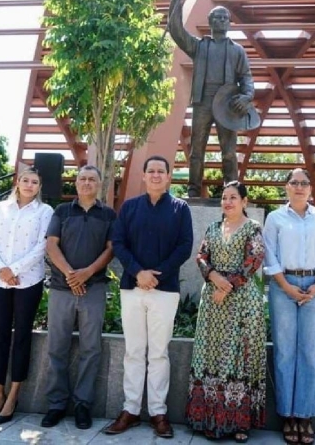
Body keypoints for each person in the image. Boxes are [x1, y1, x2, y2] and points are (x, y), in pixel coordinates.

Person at [104, 155, 193, 439]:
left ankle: (158, 412)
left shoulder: (181, 209)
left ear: (169, 176)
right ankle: (130, 409)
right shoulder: (129, 208)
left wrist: (157, 275)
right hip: (132, 288)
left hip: (164, 291)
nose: (156, 175)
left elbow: (184, 247)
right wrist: (138, 272)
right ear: (143, 176)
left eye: (161, 171)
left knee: (158, 353)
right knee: (133, 351)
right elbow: (118, 242)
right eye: (151, 171)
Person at [186, 181, 266, 443]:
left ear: (244, 201)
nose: (228, 202)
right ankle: (206, 418)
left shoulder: (253, 229)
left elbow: (254, 260)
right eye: (224, 198)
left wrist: (227, 286)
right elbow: (201, 256)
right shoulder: (212, 228)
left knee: (238, 360)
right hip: (213, 301)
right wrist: (213, 276)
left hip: (241, 302)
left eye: (233, 197)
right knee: (210, 356)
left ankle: (239, 423)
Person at [263, 168, 315, 444]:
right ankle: (287, 417)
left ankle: (305, 416)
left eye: (304, 183)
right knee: (284, 352)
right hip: (283, 286)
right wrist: (286, 286)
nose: (299, 187)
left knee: (309, 352)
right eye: (294, 182)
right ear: (286, 187)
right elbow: (270, 254)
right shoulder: (275, 218)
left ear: (311, 188)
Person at [40, 165, 116, 430]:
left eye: (91, 179)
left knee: (90, 349)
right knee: (56, 348)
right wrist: (72, 274)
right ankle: (56, 404)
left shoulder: (108, 214)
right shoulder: (62, 211)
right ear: (76, 183)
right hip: (62, 289)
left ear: (100, 184)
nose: (86, 183)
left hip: (93, 289)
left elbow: (111, 248)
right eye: (82, 178)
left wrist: (88, 273)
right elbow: (51, 244)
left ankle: (83, 404)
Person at [168, 0, 255, 198]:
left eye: (225, 18)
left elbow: (246, 77)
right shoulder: (199, 47)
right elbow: (175, 29)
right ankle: (194, 190)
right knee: (197, 149)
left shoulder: (237, 50)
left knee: (229, 152)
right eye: (217, 18)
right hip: (203, 100)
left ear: (230, 23)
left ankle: (232, 191)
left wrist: (246, 96)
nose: (222, 21)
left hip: (227, 103)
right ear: (210, 22)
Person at [0, 167, 54, 425]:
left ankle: (14, 395)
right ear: (18, 182)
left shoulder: (45, 212)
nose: (29, 185)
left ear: (39, 186)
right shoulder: (1, 208)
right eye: (25, 180)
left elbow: (42, 247)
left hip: (28, 281)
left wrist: (13, 270)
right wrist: (2, 270)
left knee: (22, 336)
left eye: (35, 182)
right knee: (0, 336)